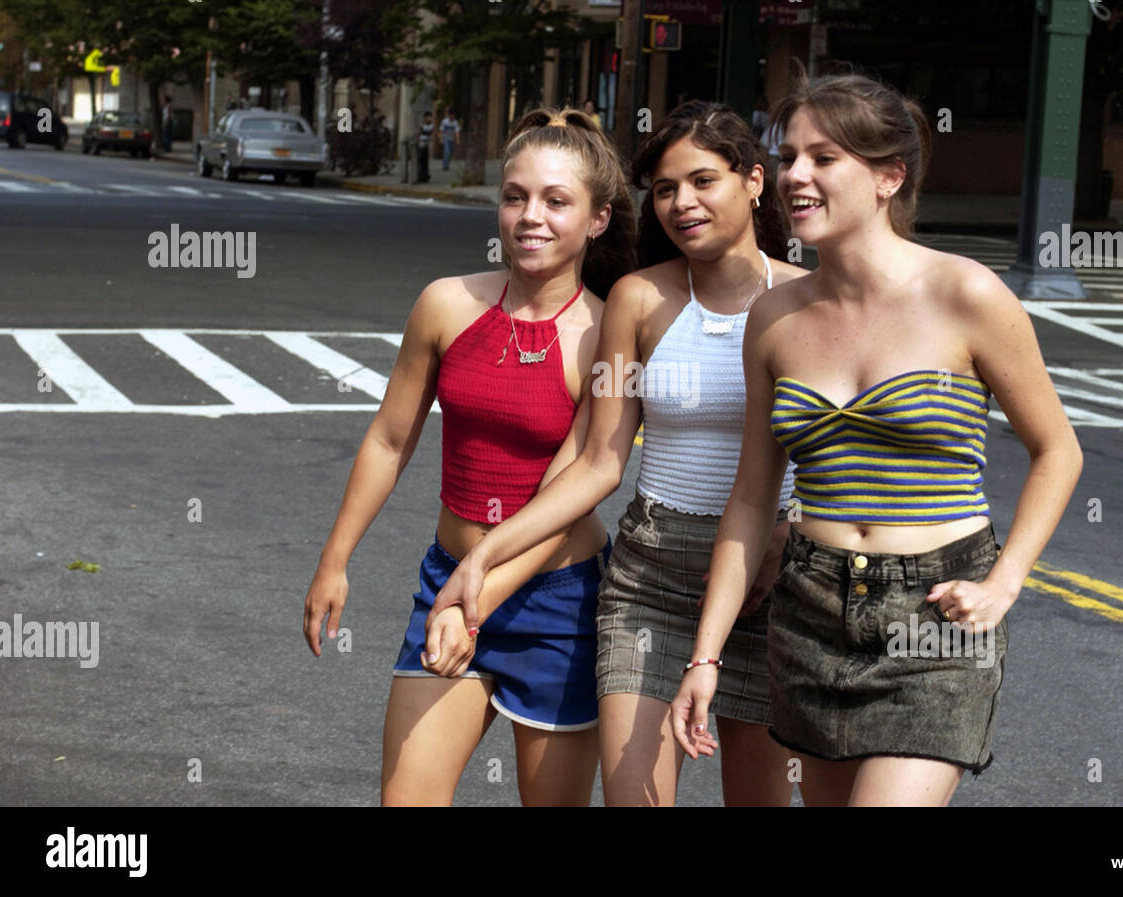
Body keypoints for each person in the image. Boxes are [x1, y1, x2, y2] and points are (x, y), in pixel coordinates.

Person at [671, 70, 1083, 807]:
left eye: (824, 158)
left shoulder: (967, 295)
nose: (796, 174)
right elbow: (750, 500)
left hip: (933, 620)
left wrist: (1006, 580)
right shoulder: (775, 317)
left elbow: (1058, 449)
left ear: (889, 176)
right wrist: (705, 655)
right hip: (810, 613)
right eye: (790, 155)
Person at [423, 101, 807, 806]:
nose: (681, 202)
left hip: (768, 583)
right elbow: (600, 461)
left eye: (702, 181)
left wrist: (796, 524)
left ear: (754, 181)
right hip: (651, 577)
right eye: (664, 189)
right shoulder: (636, 300)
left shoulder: (804, 301)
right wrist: (484, 555)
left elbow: (838, 445)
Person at [303, 106, 638, 806]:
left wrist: (475, 599)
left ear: (597, 218)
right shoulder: (445, 304)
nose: (530, 217)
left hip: (559, 603)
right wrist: (335, 559)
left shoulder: (609, 333)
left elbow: (573, 488)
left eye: (556, 201)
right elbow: (390, 438)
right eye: (515, 196)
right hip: (447, 579)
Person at [416, 110, 433, 183]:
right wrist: (418, 141)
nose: (429, 119)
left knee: (426, 160)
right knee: (421, 160)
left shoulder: (432, 126)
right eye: (428, 117)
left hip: (427, 144)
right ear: (425, 118)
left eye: (430, 117)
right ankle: (420, 175)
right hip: (422, 143)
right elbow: (419, 134)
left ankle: (425, 175)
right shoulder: (423, 126)